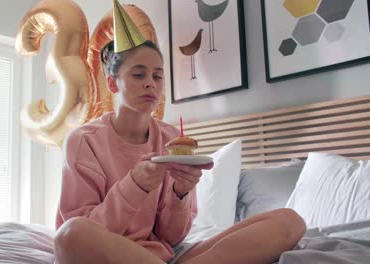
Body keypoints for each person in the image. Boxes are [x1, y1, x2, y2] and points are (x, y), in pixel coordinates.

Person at [54, 1, 306, 263]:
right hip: (111, 254)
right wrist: (135, 185)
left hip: (168, 257)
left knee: (289, 220)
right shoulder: (83, 141)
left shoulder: (170, 139)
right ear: (112, 83)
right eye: (138, 75)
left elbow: (172, 238)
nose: (150, 83)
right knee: (70, 234)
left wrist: (180, 194)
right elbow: (87, 234)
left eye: (158, 76)